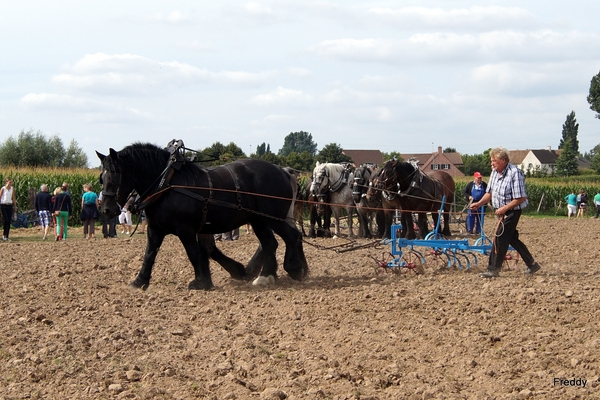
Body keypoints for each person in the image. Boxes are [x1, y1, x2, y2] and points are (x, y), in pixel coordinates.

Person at [470, 147, 541, 278]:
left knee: (500, 237)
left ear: (503, 160)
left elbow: (520, 198)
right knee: (512, 239)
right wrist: (479, 203)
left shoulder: (515, 173)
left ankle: (493, 269)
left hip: (512, 211)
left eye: (494, 161)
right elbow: (489, 192)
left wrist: (504, 208)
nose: (492, 163)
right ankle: (532, 264)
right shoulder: (494, 172)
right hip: (502, 212)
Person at [0, 177, 17, 241]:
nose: (10, 183)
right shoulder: (3, 189)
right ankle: (4, 235)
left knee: (9, 221)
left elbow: (13, 198)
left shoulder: (12, 189)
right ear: (6, 182)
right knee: (6, 220)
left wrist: (15, 206)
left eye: (11, 182)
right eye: (9, 182)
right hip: (3, 205)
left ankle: (7, 235)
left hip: (9, 205)